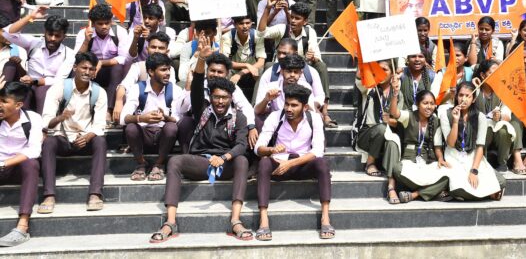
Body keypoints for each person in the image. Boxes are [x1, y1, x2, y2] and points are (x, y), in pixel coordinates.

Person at [151, 38, 251, 243]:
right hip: (203, 162)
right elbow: (196, 86)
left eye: (224, 98)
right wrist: (201, 61)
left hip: (225, 164)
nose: (220, 101)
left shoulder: (238, 116)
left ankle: (236, 220)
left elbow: (241, 145)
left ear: (231, 98)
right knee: (175, 161)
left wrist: (224, 157)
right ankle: (170, 222)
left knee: (242, 160)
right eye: (216, 97)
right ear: (210, 97)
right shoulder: (202, 110)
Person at [255, 83, 334, 241]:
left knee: (322, 163)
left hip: (302, 165)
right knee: (264, 162)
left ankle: (325, 217)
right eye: (287, 104)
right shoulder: (275, 116)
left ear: (305, 107)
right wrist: (271, 150)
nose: (289, 109)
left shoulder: (315, 119)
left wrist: (290, 163)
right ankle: (263, 219)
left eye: (294, 105)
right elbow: (258, 148)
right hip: (278, 166)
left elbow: (318, 150)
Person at [39, 52, 107, 213]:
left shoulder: (99, 92)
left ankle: (95, 193)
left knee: (101, 141)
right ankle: (49, 195)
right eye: (84, 67)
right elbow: (46, 121)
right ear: (75, 68)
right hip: (62, 137)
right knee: (48, 142)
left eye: (91, 69)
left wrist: (87, 136)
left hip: (85, 139)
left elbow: (99, 125)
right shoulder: (59, 88)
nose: (87, 72)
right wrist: (60, 118)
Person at [257, 0, 332, 125]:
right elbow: (261, 33)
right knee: (268, 66)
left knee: (321, 66)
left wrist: (312, 57)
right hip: (280, 67)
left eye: (297, 18)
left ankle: (325, 112)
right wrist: (268, 9)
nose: (292, 21)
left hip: (301, 68)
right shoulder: (283, 28)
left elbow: (317, 56)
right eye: (291, 17)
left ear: (305, 21)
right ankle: (257, 105)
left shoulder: (310, 32)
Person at [121, 53, 189, 182]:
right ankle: (141, 163)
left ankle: (159, 164)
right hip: (143, 136)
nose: (168, 73)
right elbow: (122, 118)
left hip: (164, 138)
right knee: (130, 128)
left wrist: (165, 117)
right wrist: (141, 118)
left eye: (169, 69)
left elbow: (178, 119)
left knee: (171, 127)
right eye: (163, 69)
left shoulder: (175, 89)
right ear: (151, 72)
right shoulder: (137, 88)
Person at [176, 50, 258, 153]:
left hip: (222, 129)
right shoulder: (198, 85)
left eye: (220, 72)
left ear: (227, 74)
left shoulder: (231, 88)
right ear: (207, 71)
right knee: (185, 122)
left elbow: (246, 107)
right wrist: (188, 88)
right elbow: (181, 109)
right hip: (199, 127)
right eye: (212, 70)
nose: (215, 74)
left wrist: (251, 126)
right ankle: (187, 156)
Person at [438, 82, 504, 200]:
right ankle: (474, 193)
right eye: (461, 95)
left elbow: (480, 147)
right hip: (453, 155)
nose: (464, 99)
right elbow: (451, 143)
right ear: (456, 96)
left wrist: (474, 170)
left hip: (473, 155)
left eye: (468, 96)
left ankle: (469, 194)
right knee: (459, 184)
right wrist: (455, 121)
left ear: (473, 99)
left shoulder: (480, 117)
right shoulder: (446, 114)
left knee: (500, 181)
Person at [384, 89, 451, 203]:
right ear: (417, 104)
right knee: (397, 169)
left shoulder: (436, 121)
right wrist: (395, 94)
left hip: (427, 162)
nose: (429, 107)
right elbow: (394, 113)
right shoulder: (409, 116)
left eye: (432, 103)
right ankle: (431, 191)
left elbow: (437, 146)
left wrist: (440, 159)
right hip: (410, 161)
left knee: (447, 176)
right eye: (425, 103)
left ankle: (414, 194)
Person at [3, 6, 74, 114]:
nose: (53, 39)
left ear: (64, 36)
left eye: (57, 36)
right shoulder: (34, 43)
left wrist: (36, 81)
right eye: (50, 34)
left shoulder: (69, 54)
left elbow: (59, 80)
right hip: (27, 83)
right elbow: (7, 34)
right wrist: (30, 16)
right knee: (12, 68)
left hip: (50, 87)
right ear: (44, 32)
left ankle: (43, 127)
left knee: (42, 90)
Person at [0, 82, 41, 247]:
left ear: (18, 105)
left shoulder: (33, 119)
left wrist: (3, 163)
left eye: (3, 101)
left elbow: (34, 150)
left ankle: (22, 227)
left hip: (16, 168)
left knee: (31, 164)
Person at [75, 3, 130, 121]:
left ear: (111, 21)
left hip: (111, 70)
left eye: (107, 23)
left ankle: (108, 110)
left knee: (118, 68)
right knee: (76, 70)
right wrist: (86, 41)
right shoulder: (84, 33)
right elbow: (77, 58)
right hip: (91, 70)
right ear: (93, 23)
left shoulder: (120, 32)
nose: (104, 26)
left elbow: (123, 58)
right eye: (100, 24)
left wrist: (101, 63)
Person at [472, 59, 524, 174]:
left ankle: (502, 163)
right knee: (485, 128)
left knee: (504, 130)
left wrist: (499, 116)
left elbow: (507, 115)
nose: (496, 76)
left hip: (496, 127)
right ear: (482, 75)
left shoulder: (504, 91)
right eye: (492, 73)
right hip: (479, 130)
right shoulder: (474, 89)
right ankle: (481, 161)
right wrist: (475, 88)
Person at [353, 60, 401, 178]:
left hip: (388, 134)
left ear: (392, 73)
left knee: (392, 142)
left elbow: (399, 122)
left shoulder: (397, 93)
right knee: (381, 128)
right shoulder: (369, 87)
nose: (381, 72)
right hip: (366, 135)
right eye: (378, 69)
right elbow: (359, 78)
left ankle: (392, 181)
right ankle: (370, 164)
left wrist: (389, 121)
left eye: (385, 70)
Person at [113, 32, 175, 123]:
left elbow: (170, 92)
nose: (156, 51)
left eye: (161, 48)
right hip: (139, 113)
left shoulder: (170, 70)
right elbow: (124, 86)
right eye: (153, 47)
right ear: (147, 49)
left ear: (167, 51)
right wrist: (118, 103)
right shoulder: (138, 66)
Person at [221, 14, 265, 102]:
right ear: (235, 24)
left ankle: (256, 102)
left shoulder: (257, 35)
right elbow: (225, 62)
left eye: (248, 23)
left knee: (260, 72)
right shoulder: (227, 37)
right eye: (241, 23)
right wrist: (246, 65)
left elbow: (261, 62)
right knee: (224, 72)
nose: (245, 26)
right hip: (234, 69)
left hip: (252, 69)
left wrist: (242, 72)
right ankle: (227, 101)